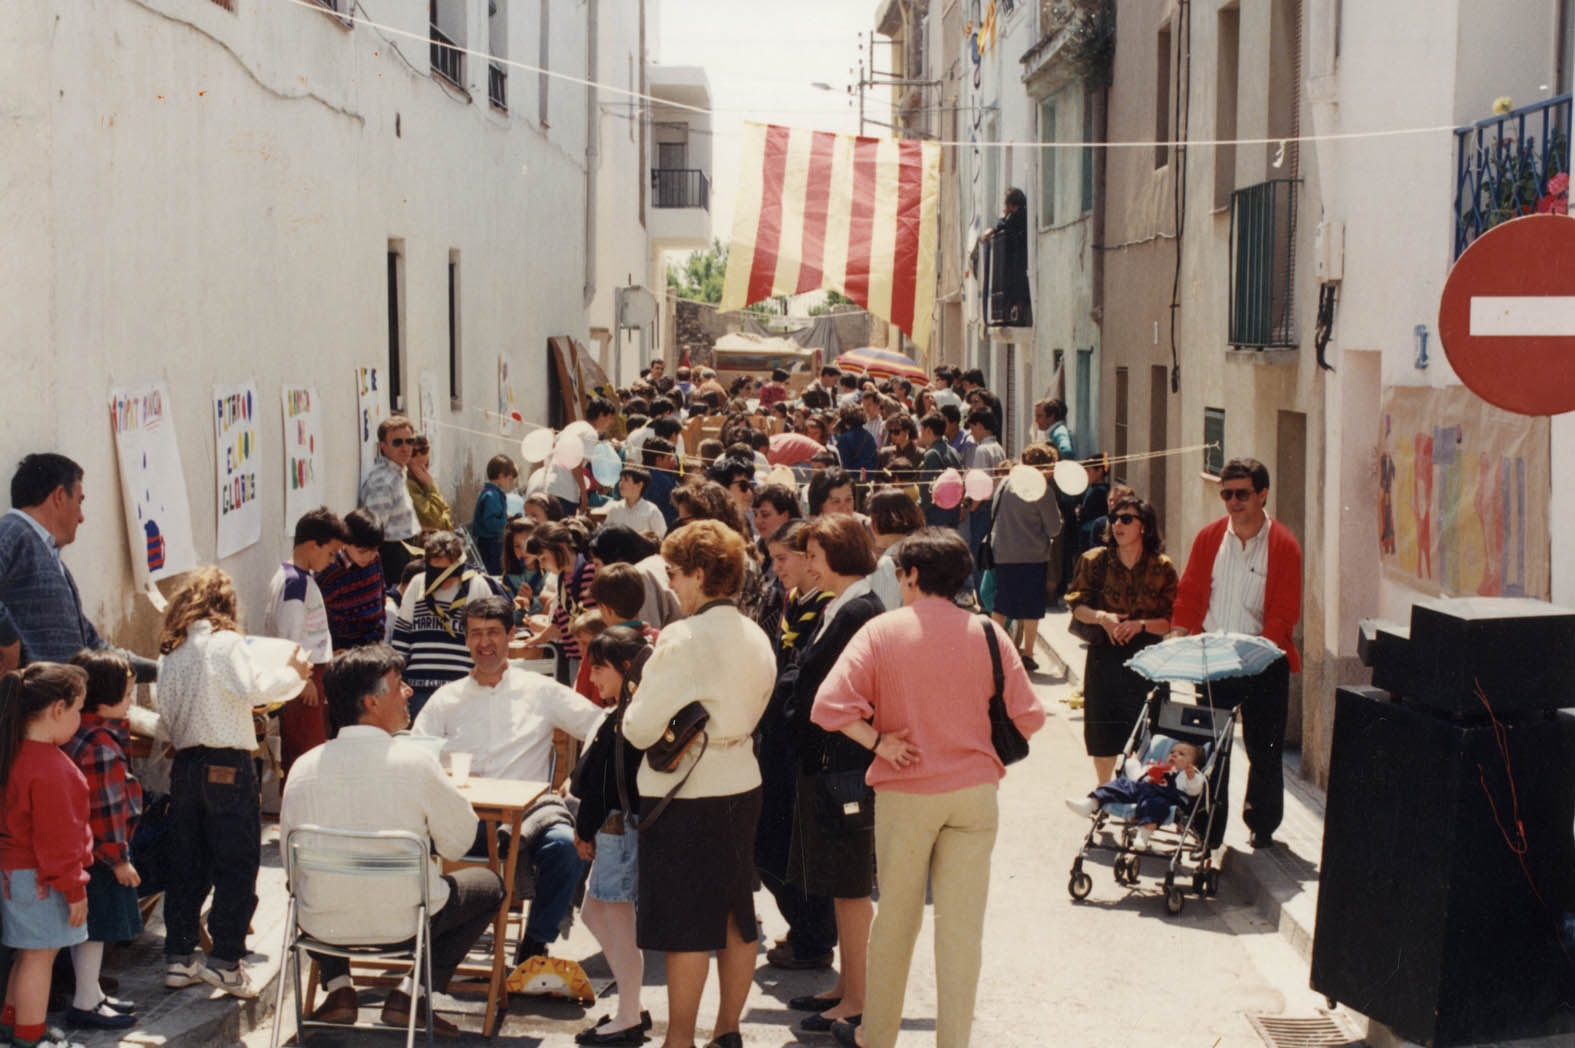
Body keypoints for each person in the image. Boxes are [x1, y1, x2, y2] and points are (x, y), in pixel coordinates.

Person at [809, 528, 1045, 1048]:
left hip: (906, 791)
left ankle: (879, 1037)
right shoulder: (988, 633)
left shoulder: (881, 631)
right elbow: (1029, 716)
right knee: (962, 933)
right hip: (975, 794)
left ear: (912, 575)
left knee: (896, 921)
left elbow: (828, 707)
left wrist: (878, 742)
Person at [280, 645, 504, 1038]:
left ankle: (339, 989)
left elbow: (288, 864)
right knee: (490, 885)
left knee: (309, 882)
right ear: (370, 702)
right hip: (404, 920)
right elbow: (460, 842)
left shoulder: (303, 767)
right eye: (399, 686)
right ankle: (412, 994)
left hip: (320, 923)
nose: (408, 694)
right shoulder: (415, 762)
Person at [621, 521, 774, 1048]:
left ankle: (679, 1039)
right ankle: (727, 1029)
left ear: (701, 574)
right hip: (743, 779)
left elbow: (638, 727)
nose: (670, 586)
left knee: (686, 923)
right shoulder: (755, 632)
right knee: (737, 913)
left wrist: (643, 694)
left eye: (675, 574)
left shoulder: (682, 638)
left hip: (685, 792)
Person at [412, 597, 601, 965]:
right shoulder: (446, 699)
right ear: (465, 641)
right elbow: (418, 755)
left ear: (511, 635)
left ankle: (534, 944)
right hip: (462, 822)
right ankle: (432, 942)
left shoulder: (540, 690)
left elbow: (597, 724)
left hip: (525, 822)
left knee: (566, 847)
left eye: (494, 633)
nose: (485, 643)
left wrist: (577, 780)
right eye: (476, 634)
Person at [155, 568, 311, 998]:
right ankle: (225, 960)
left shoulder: (172, 651)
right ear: (225, 605)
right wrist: (295, 673)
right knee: (236, 864)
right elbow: (254, 690)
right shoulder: (227, 645)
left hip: (185, 766)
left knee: (187, 863)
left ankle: (179, 957)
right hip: (228, 763)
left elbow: (165, 715)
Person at [783, 514, 883, 1034]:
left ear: (838, 556)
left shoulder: (859, 609)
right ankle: (848, 985)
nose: (809, 565)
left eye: (816, 556)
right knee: (842, 886)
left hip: (843, 764)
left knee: (849, 888)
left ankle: (858, 998)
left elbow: (822, 683)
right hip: (834, 760)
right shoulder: (846, 605)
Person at [1170, 459, 1302, 850]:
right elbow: (1191, 592)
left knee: (1265, 749)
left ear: (1263, 495)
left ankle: (1262, 825)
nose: (1233, 501)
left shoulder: (1284, 545)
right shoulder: (1209, 538)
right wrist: (1179, 638)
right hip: (1215, 659)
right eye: (1226, 493)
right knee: (1211, 747)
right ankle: (1206, 828)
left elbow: (1283, 612)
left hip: (1264, 661)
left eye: (1242, 494)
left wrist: (1257, 652)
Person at [756, 521, 836, 974]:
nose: (777, 568)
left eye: (784, 558)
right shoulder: (793, 602)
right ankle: (806, 928)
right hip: (777, 737)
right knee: (770, 847)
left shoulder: (827, 609)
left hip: (803, 745)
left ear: (810, 559)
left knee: (792, 847)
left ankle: (814, 936)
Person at [0, 663, 93, 1048]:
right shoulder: (52, 768)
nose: (79, 719)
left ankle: (12, 1024)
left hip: (16, 874)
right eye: (77, 710)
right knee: (41, 959)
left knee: (27, 956)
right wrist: (75, 889)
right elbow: (58, 840)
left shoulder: (15, 754)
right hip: (42, 879)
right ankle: (30, 1036)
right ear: (58, 709)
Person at [0, 454, 156, 680]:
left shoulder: (52, 560)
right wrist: (8, 641)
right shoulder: (13, 530)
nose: (82, 517)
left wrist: (163, 670)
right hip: (27, 708)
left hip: (58, 708)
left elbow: (93, 650)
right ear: (60, 496)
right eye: (80, 501)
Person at [569, 628, 652, 1046]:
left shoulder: (626, 717)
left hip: (616, 829)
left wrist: (583, 831)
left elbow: (597, 785)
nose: (591, 677)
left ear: (624, 667)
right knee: (597, 916)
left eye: (598, 668)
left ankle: (628, 1012)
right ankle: (631, 1005)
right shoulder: (629, 711)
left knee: (617, 921)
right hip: (616, 828)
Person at [1066, 495, 1178, 785]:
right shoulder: (1094, 561)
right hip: (1105, 655)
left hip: (1147, 658)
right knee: (1101, 731)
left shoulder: (1162, 567)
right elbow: (1078, 605)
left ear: (1144, 526)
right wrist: (1103, 618)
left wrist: (1139, 626)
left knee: (1146, 731)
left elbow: (1170, 619)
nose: (1118, 524)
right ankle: (1105, 791)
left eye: (1127, 519)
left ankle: (1137, 794)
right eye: (1115, 518)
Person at [61, 651, 142, 1033]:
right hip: (102, 857)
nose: (131, 702)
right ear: (104, 700)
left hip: (85, 853)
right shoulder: (102, 748)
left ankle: (90, 991)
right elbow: (107, 813)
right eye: (126, 695)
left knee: (88, 931)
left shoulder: (79, 735)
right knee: (96, 930)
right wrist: (120, 859)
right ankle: (86, 1001)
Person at [266, 507, 349, 773]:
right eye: (331, 553)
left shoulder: (299, 578)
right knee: (306, 755)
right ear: (313, 546)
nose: (333, 560)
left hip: (308, 677)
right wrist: (303, 681)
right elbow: (289, 637)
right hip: (301, 681)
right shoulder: (294, 583)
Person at [389, 532, 495, 719]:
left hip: (462, 689)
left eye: (448, 573)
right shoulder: (418, 584)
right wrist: (396, 680)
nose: (443, 580)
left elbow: (487, 641)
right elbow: (402, 636)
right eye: (435, 573)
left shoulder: (477, 586)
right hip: (420, 688)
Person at [987, 445, 1063, 670]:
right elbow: (1054, 528)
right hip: (1032, 555)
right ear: (1044, 466)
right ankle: (1028, 653)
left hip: (1003, 553)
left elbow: (993, 513)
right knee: (1031, 606)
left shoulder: (1005, 483)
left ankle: (993, 651)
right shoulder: (1042, 489)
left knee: (1002, 604)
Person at [1066, 741, 1204, 850]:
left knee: (1156, 805)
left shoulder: (1187, 777)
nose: (1174, 755)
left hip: (1164, 797)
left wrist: (1191, 776)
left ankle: (1143, 835)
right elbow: (1137, 775)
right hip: (1141, 789)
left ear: (1193, 765)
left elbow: (1194, 790)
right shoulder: (1155, 766)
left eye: (1181, 754)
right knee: (1121, 784)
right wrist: (1132, 762)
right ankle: (1090, 803)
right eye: (1172, 752)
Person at [522, 522, 598, 685]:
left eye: (544, 559)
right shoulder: (563, 579)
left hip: (593, 658)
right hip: (574, 658)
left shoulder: (589, 572)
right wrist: (535, 641)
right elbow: (559, 622)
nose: (541, 565)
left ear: (561, 548)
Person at [359, 416, 423, 586]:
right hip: (392, 556)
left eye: (409, 441)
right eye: (397, 442)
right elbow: (375, 529)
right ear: (383, 446)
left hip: (406, 551)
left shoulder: (398, 473)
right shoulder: (382, 480)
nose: (405, 448)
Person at [314, 508, 389, 653]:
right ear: (346, 542)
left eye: (374, 550)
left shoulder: (375, 559)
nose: (369, 557)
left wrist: (381, 633)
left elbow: (381, 594)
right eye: (362, 551)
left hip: (373, 644)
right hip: (343, 649)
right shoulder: (329, 570)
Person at [866, 488, 925, 612]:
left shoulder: (887, 565)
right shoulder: (926, 552)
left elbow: (885, 615)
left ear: (877, 522)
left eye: (871, 519)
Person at [472, 454, 517, 574]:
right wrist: (506, 523)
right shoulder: (493, 495)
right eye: (509, 479)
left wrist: (506, 515)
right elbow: (491, 523)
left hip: (489, 542)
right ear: (502, 475)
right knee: (495, 572)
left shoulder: (490, 493)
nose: (509, 483)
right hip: (490, 544)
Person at [916, 414, 962, 529]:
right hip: (953, 511)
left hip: (936, 513)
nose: (920, 434)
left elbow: (926, 488)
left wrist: (920, 509)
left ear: (928, 430)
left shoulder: (932, 454)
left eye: (921, 430)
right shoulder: (954, 451)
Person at [405, 434, 455, 534]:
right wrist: (430, 485)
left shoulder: (423, 478)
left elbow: (446, 510)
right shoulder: (407, 483)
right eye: (414, 452)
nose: (420, 456)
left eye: (424, 450)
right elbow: (432, 520)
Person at [502, 518, 545, 620]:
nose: (523, 551)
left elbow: (552, 608)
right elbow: (508, 616)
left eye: (528, 544)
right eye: (517, 546)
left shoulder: (550, 573)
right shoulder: (508, 577)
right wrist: (518, 605)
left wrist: (531, 600)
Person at [605, 467, 667, 538]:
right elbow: (606, 536)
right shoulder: (615, 509)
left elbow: (661, 538)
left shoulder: (652, 511)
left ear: (639, 485)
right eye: (620, 480)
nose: (621, 484)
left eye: (626, 480)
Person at [832, 405, 878, 478]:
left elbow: (844, 463)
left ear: (845, 420)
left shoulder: (845, 438)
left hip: (853, 479)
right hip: (870, 477)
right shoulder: (869, 436)